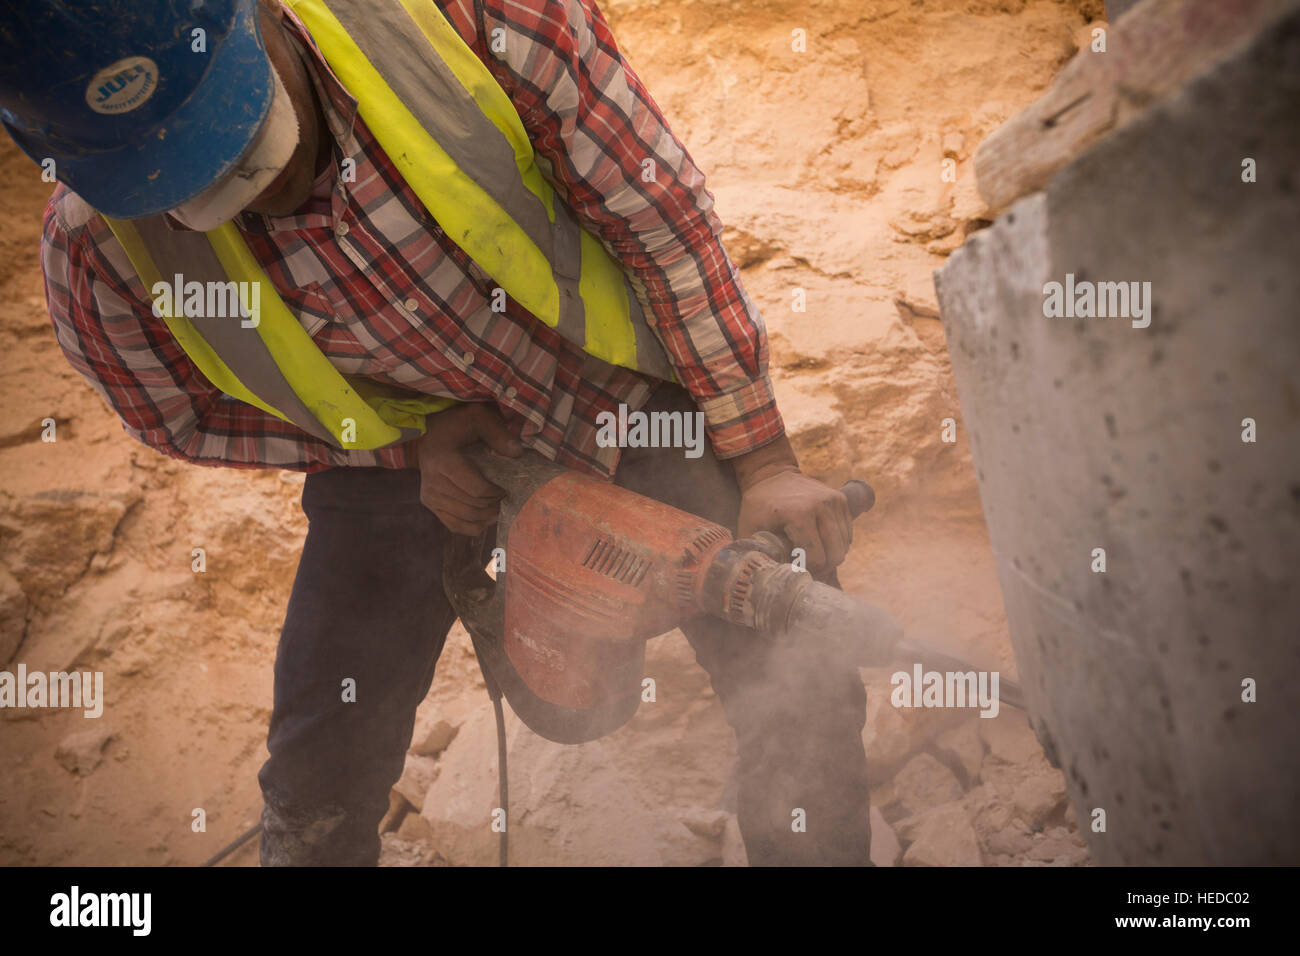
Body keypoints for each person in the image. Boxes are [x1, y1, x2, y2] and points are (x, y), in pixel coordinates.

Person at [3, 0, 872, 865]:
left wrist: (764, 460)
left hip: (620, 401)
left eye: (250, 132)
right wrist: (404, 448)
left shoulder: (479, 22)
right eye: (194, 183)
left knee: (797, 670)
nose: (259, 187)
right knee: (320, 760)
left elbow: (663, 224)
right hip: (397, 466)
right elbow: (176, 414)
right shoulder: (97, 250)